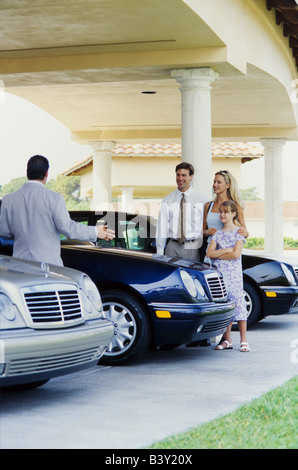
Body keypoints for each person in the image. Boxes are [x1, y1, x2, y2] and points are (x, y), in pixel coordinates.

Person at [0, 155, 115, 266]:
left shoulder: (8, 200)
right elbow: (67, 228)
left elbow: (4, 232)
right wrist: (95, 231)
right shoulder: (54, 198)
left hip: (20, 266)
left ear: (27, 172)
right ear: (46, 173)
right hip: (49, 267)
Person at [206, 200, 250, 352]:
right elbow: (209, 253)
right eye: (221, 212)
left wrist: (221, 253)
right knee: (225, 305)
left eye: (226, 212)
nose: (222, 215)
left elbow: (236, 254)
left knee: (239, 304)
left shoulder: (239, 232)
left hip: (234, 276)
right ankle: (228, 340)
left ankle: (244, 340)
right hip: (221, 276)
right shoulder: (217, 234)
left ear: (233, 214)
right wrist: (227, 250)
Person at [156, 162, 208, 261]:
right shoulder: (167, 200)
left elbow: (206, 224)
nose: (180, 178)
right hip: (172, 246)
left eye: (184, 175)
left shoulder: (201, 199)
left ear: (191, 177)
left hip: (192, 247)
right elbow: (162, 227)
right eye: (178, 175)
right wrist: (159, 252)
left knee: (191, 275)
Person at [202, 170, 249, 253]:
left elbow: (244, 232)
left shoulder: (236, 206)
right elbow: (202, 230)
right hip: (210, 249)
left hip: (229, 250)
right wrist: (207, 231)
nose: (215, 185)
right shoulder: (208, 206)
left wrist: (245, 233)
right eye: (214, 182)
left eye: (219, 182)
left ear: (227, 185)